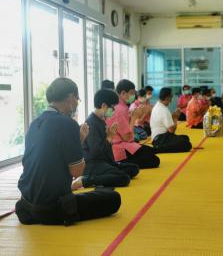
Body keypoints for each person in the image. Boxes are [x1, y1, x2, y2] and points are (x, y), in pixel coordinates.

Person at [15, 78, 121, 225]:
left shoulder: (35, 123)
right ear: (71, 97)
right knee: (113, 198)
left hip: (26, 205)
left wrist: (78, 141)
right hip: (53, 206)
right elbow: (77, 172)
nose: (77, 102)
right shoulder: (68, 123)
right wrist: (79, 141)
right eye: (77, 98)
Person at [72, 89, 140, 190]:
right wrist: (109, 138)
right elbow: (96, 152)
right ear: (104, 105)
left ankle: (106, 174)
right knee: (123, 178)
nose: (113, 110)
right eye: (112, 107)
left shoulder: (101, 120)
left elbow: (106, 149)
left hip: (104, 161)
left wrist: (109, 137)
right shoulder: (91, 123)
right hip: (92, 164)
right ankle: (84, 181)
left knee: (133, 168)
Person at [107, 79, 160, 169]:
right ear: (123, 93)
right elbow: (128, 138)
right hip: (120, 149)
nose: (133, 96)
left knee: (150, 150)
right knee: (154, 160)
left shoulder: (119, 106)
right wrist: (134, 117)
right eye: (131, 93)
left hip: (118, 146)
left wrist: (132, 116)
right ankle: (121, 164)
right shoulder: (120, 109)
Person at [150, 87, 192, 153]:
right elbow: (171, 130)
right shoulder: (163, 110)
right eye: (171, 96)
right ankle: (159, 149)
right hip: (161, 139)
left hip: (158, 137)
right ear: (167, 97)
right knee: (187, 145)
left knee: (185, 138)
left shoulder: (158, 106)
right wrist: (175, 118)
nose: (172, 99)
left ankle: (161, 146)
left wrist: (173, 117)